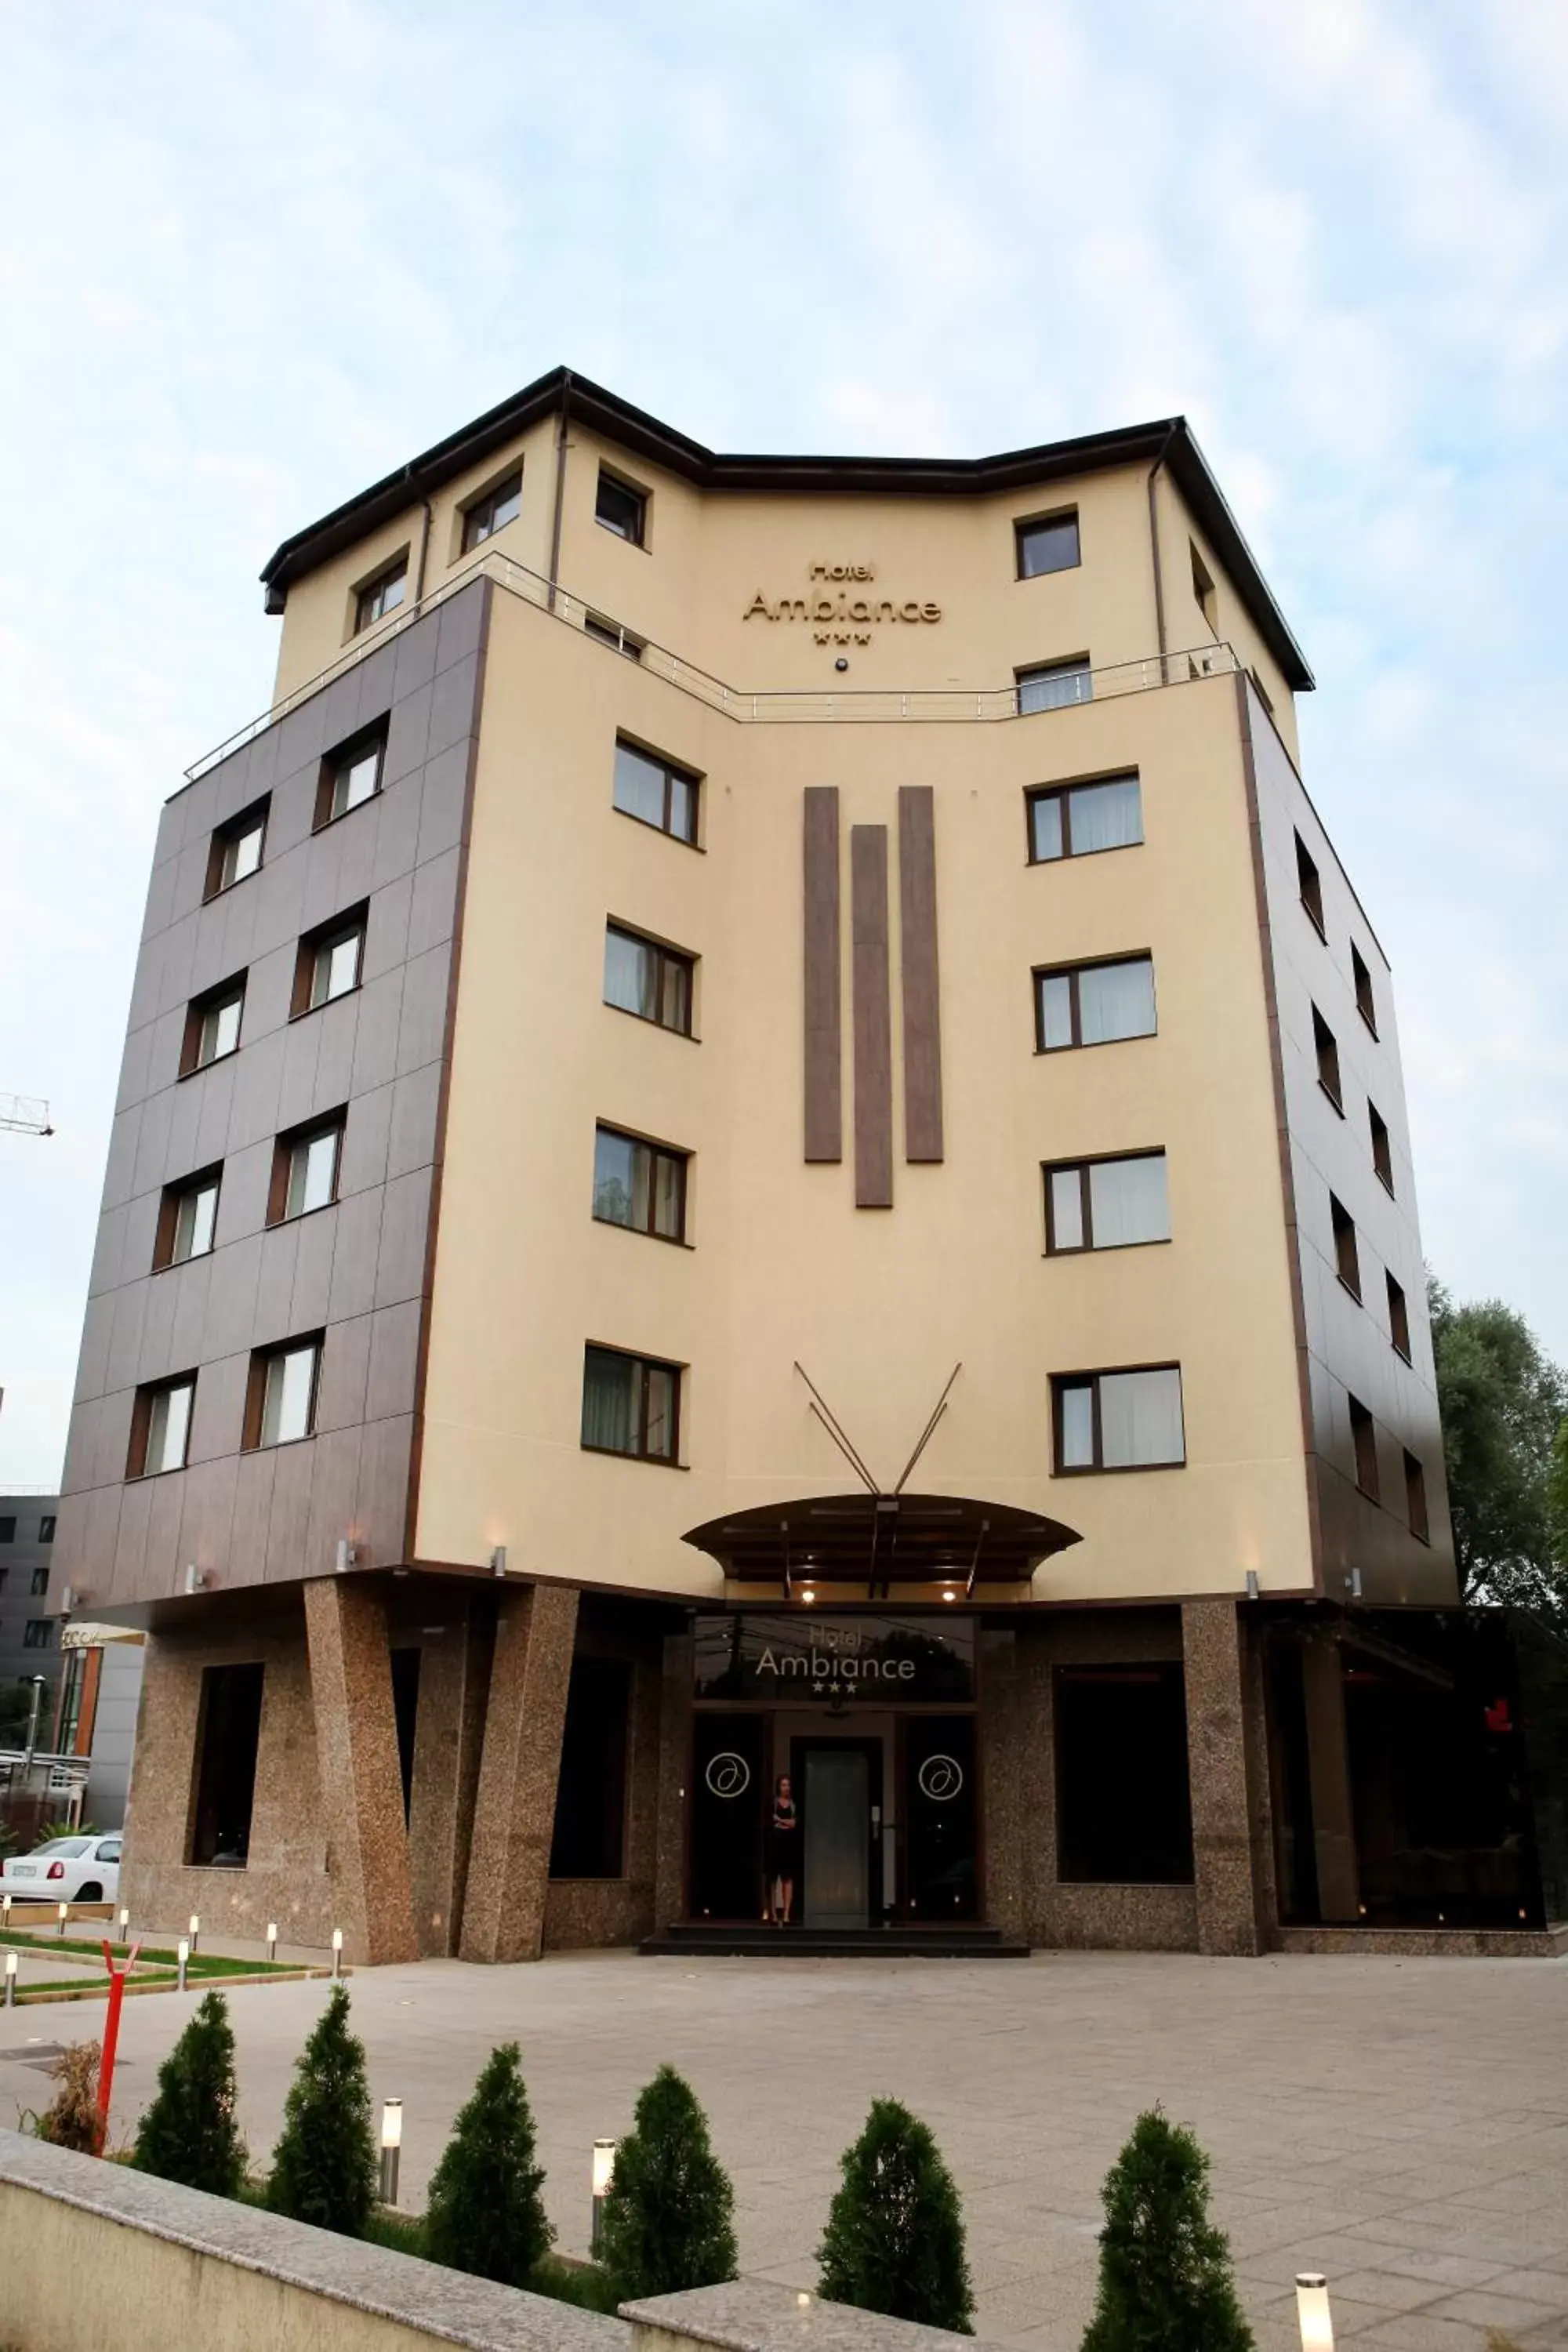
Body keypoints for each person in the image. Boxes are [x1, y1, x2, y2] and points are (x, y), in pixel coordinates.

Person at [766, 1773, 798, 1925]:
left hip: (789, 1844)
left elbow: (794, 1823)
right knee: (772, 1879)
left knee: (788, 1878)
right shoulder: (773, 1803)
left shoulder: (794, 1804)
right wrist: (784, 1824)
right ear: (779, 1787)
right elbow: (770, 1822)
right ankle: (773, 1913)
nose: (786, 1788)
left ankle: (786, 1914)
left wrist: (781, 1821)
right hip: (774, 1843)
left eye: (788, 1785)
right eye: (783, 1785)